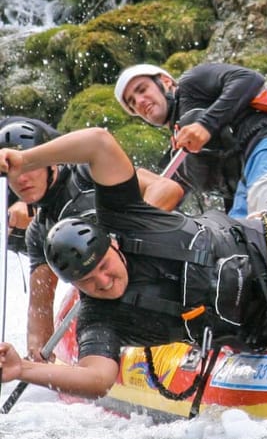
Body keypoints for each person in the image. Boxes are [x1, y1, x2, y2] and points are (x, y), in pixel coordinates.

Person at [0, 127, 267, 399]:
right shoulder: (99, 318)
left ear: (112, 244)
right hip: (266, 309)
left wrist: (24, 159)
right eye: (89, 282)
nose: (104, 280)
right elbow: (97, 380)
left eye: (103, 265)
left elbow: (97, 143)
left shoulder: (124, 215)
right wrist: (24, 368)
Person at [1, 116, 182, 361]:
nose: (21, 179)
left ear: (50, 163)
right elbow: (40, 305)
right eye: (12, 174)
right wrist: (37, 357)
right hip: (127, 295)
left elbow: (168, 189)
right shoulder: (39, 232)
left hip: (171, 263)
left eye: (28, 167)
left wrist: (124, 237)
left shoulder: (89, 173)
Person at [114, 62, 267, 226]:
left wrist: (206, 124)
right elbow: (169, 190)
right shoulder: (179, 148)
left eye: (142, 90)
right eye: (132, 102)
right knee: (238, 248)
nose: (139, 101)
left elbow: (250, 79)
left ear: (166, 81)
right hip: (245, 181)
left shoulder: (192, 82)